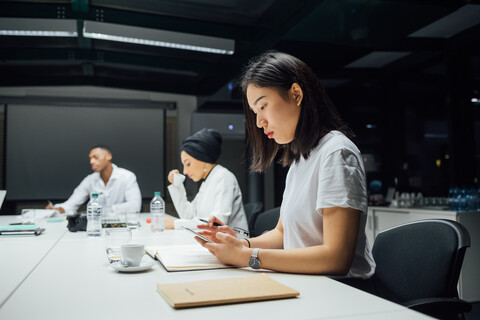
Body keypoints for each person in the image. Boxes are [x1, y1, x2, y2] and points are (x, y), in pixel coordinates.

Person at [196, 51, 376, 284]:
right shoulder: (301, 159)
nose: (259, 122)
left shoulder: (336, 153)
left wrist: (246, 255)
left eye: (263, 106)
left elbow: (336, 258)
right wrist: (241, 244)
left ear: (296, 94)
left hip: (343, 291)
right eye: (255, 112)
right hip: (308, 283)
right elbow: (282, 234)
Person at [166, 128, 248, 231]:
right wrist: (177, 185)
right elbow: (188, 215)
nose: (185, 171)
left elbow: (217, 221)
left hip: (233, 244)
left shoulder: (223, 177)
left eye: (188, 164)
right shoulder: (207, 181)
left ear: (202, 157)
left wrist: (175, 224)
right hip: (214, 241)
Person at [46, 145, 142, 215]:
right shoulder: (90, 180)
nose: (91, 161)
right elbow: (71, 203)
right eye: (90, 158)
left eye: (95, 157)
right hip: (96, 226)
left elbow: (135, 206)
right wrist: (56, 209)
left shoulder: (127, 176)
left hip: (123, 226)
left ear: (108, 156)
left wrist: (107, 210)